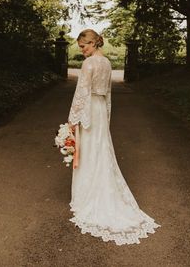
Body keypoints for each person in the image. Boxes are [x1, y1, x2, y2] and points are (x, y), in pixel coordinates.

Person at [68, 29, 160, 245]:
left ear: (92, 43)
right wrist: (106, 114)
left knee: (89, 151)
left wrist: (72, 120)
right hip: (99, 109)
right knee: (100, 150)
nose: (82, 51)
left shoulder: (89, 64)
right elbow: (107, 93)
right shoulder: (107, 63)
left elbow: (81, 93)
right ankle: (101, 190)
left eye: (83, 46)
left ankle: (87, 198)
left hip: (89, 108)